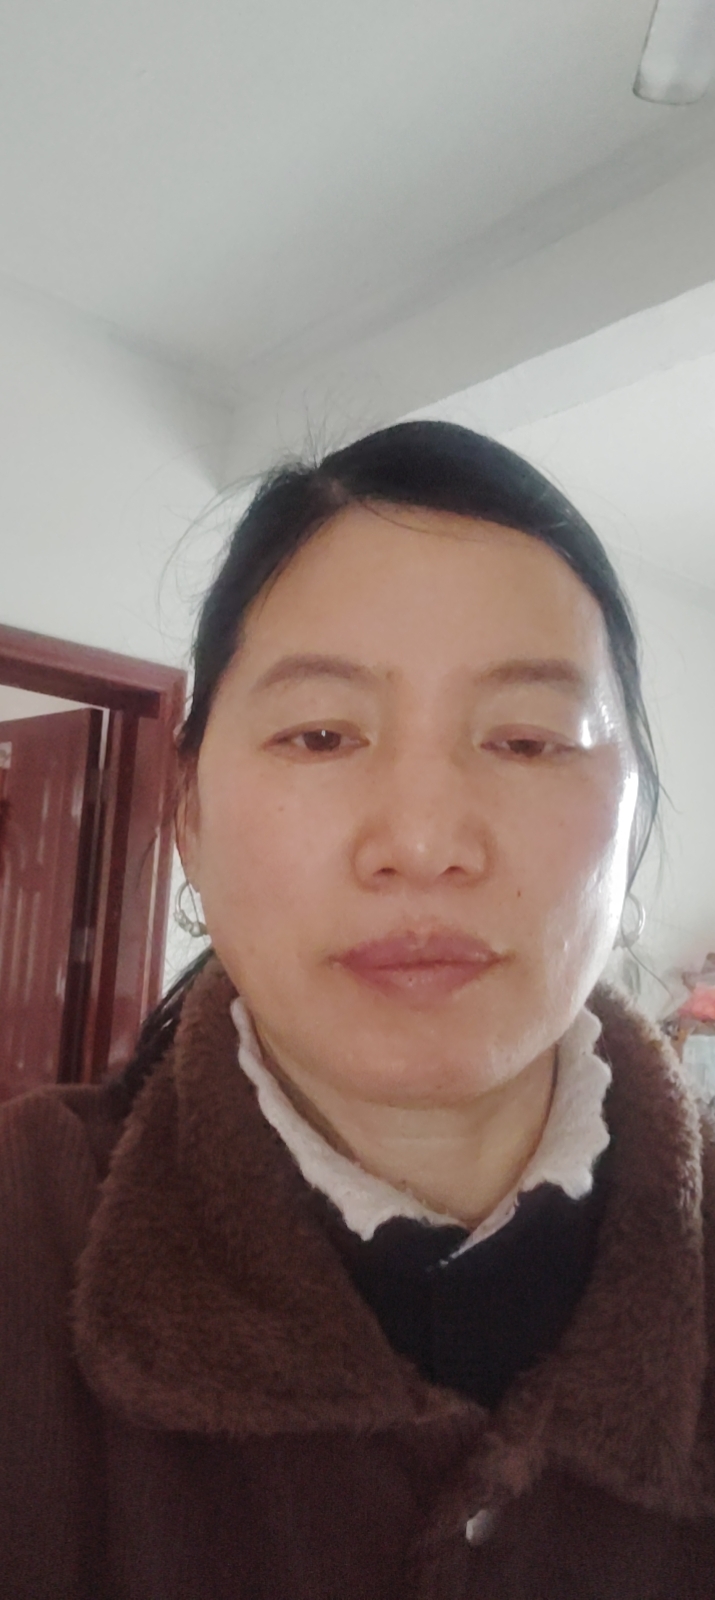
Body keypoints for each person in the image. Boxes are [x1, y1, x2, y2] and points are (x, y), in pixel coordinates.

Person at [1, 419, 713, 1599]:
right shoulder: (27, 1229)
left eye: (526, 740)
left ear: (631, 830)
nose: (423, 842)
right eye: (321, 734)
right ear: (189, 816)